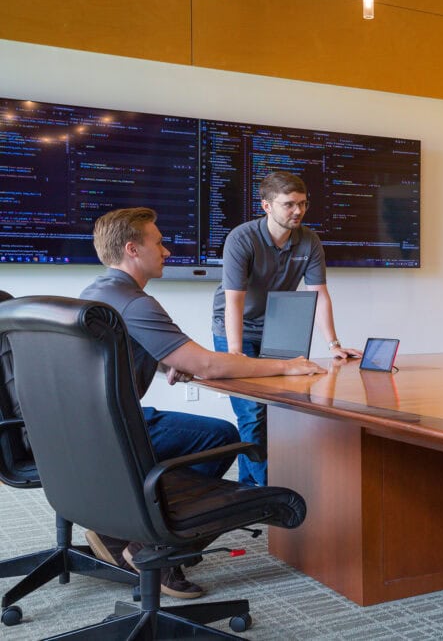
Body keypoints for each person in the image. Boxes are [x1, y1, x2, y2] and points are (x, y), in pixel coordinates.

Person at [80, 207, 325, 599]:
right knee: (221, 438)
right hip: (116, 431)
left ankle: (122, 529)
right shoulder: (134, 302)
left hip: (85, 430)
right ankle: (157, 547)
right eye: (158, 243)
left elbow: (114, 355)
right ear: (132, 249)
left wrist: (165, 363)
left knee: (212, 433)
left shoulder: (97, 293)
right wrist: (286, 366)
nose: (167, 251)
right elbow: (209, 364)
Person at [211, 171, 360, 487]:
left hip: (277, 327)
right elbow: (233, 302)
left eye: (303, 204)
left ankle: (250, 488)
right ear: (266, 206)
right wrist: (236, 355)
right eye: (289, 204)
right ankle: (267, 489)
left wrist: (334, 343)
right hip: (235, 328)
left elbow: (318, 293)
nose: (298, 211)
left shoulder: (309, 240)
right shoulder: (242, 238)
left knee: (282, 407)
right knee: (252, 412)